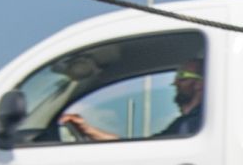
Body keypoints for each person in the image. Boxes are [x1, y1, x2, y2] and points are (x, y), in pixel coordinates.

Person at [63, 61, 204, 142]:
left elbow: (148, 151)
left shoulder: (194, 124)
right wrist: (89, 130)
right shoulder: (184, 123)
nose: (175, 83)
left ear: (200, 84)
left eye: (183, 76)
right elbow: (144, 147)